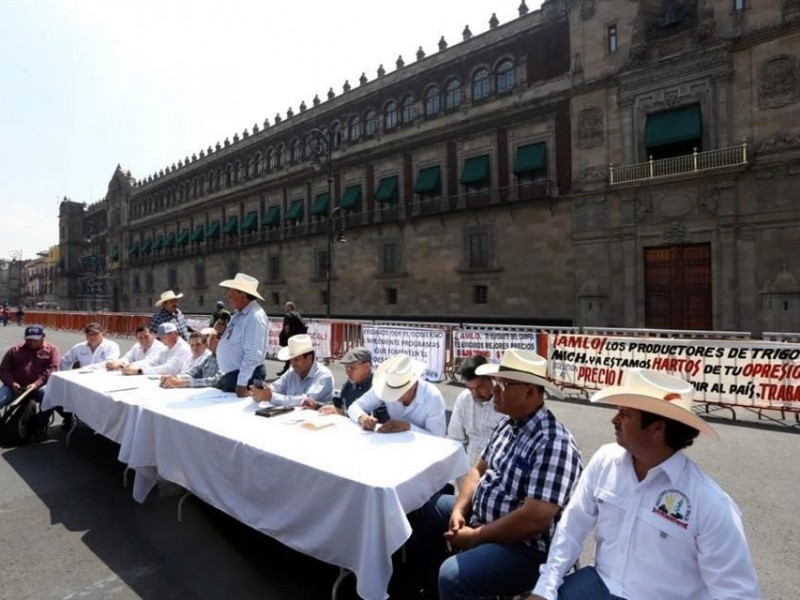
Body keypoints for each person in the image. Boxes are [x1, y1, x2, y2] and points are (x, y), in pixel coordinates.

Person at [529, 369, 761, 600]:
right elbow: (571, 528)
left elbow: (737, 594)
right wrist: (545, 587)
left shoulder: (710, 503)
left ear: (657, 429)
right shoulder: (605, 461)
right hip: (598, 584)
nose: (614, 419)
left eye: (624, 413)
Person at [409, 349, 583, 600]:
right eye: (497, 383)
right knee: (424, 505)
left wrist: (476, 537)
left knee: (454, 575)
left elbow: (533, 520)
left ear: (530, 392)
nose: (495, 390)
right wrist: (459, 509)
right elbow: (476, 471)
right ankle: (427, 585)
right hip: (483, 519)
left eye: (504, 384)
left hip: (527, 548)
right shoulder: (508, 424)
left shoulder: (554, 443)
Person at [347, 353, 447, 436]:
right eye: (393, 391)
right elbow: (354, 406)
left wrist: (408, 427)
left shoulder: (433, 398)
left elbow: (437, 437)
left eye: (400, 392)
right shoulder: (385, 386)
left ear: (413, 385)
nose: (397, 397)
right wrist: (362, 418)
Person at [214, 273, 268, 397]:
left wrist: (242, 384)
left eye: (232, 294)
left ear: (243, 296)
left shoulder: (254, 317)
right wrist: (221, 332)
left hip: (244, 378)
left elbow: (253, 354)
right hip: (234, 376)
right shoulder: (240, 314)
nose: (228, 297)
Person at [447, 354, 504, 466]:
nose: (475, 393)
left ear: (491, 378)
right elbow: (455, 440)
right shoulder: (464, 399)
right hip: (468, 467)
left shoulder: (504, 402)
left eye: (480, 387)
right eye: (470, 388)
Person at [250, 334, 334, 408]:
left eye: (296, 359)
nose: (292, 364)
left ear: (309, 358)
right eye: (291, 360)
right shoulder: (292, 372)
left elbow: (306, 401)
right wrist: (262, 391)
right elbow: (277, 386)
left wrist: (271, 397)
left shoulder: (324, 376)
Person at [0, 325, 60, 421]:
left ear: (43, 337)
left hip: (40, 387)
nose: (31, 342)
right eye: (29, 339)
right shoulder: (15, 350)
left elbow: (52, 369)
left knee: (49, 400)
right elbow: (4, 370)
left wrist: (36, 384)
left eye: (35, 339)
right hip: (15, 387)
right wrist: (12, 383)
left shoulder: (52, 350)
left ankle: (39, 425)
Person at [319, 346, 373, 416]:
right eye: (346, 368)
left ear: (367, 367)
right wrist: (317, 405)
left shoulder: (377, 388)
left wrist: (344, 413)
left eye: (352, 368)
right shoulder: (349, 384)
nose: (347, 372)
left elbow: (375, 419)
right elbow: (337, 406)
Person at [121, 322, 191, 376]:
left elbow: (170, 369)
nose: (161, 339)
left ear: (173, 334)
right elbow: (152, 362)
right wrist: (132, 365)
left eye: (163, 337)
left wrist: (140, 370)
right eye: (160, 337)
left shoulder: (183, 349)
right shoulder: (166, 349)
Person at [278, 301, 307, 375]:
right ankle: (288, 370)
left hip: (292, 338)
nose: (285, 308)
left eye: (286, 306)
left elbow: (286, 327)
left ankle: (287, 371)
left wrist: (286, 337)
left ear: (290, 307)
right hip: (299, 337)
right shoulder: (297, 314)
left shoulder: (288, 315)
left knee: (291, 354)